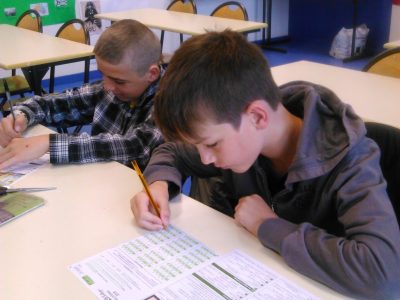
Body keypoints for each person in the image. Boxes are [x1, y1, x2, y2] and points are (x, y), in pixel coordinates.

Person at [130, 30, 400, 298]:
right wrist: (158, 184)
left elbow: (381, 274)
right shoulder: (240, 131)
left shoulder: (350, 157)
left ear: (258, 117)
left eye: (211, 144)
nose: (204, 158)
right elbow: (173, 151)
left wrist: (267, 225)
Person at [0, 19, 164, 170]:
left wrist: (49, 144)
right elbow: (56, 104)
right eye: (102, 74)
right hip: (99, 181)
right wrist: (22, 116)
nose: (107, 86)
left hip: (137, 193)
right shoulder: (110, 89)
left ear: (152, 74)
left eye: (118, 81)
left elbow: (135, 148)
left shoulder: (169, 103)